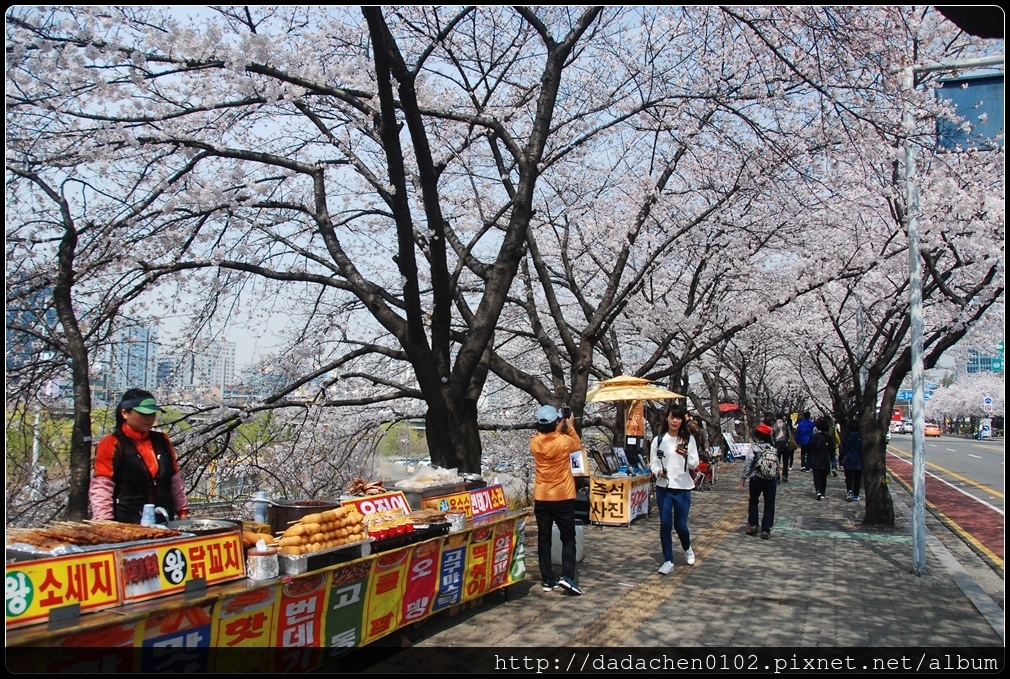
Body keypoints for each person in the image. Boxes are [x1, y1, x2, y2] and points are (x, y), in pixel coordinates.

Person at [89, 389, 189, 523]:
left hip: (163, 520)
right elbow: (102, 486)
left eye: (152, 413)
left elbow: (175, 480)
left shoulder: (162, 440)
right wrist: (104, 521)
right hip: (126, 523)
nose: (149, 418)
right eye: (143, 414)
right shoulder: (111, 444)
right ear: (124, 413)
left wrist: (182, 511)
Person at [529, 404, 584, 595]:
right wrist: (569, 426)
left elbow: (548, 437)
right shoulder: (564, 441)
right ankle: (567, 576)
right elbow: (577, 445)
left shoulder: (534, 442)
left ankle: (547, 579)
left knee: (544, 537)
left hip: (542, 497)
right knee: (568, 537)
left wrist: (558, 426)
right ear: (557, 422)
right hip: (563, 496)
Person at [649, 403, 700, 574]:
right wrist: (658, 472)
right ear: (667, 418)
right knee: (665, 524)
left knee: (680, 525)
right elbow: (653, 462)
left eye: (678, 418)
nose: (675, 421)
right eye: (672, 417)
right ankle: (668, 560)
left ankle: (687, 549)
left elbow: (695, 463)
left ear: (682, 420)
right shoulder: (659, 440)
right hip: (664, 487)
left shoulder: (688, 440)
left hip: (683, 487)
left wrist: (686, 455)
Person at [738, 422, 778, 539]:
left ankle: (753, 525)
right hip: (770, 479)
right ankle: (766, 529)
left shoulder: (754, 448)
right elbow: (777, 464)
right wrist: (776, 476)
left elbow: (748, 464)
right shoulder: (773, 448)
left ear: (758, 435)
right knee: (769, 504)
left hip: (756, 478)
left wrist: (743, 479)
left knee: (754, 501)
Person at [805, 416, 835, 500]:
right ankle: (822, 492)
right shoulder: (828, 437)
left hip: (815, 458)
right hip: (825, 458)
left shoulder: (814, 436)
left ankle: (817, 491)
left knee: (816, 476)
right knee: (823, 477)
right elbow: (832, 449)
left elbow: (809, 448)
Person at [840, 418, 863, 502]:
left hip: (848, 459)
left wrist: (841, 458)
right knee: (857, 478)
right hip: (858, 460)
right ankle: (856, 495)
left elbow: (842, 448)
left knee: (849, 477)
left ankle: (849, 490)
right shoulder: (861, 437)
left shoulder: (846, 437)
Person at [772, 412, 792, 483]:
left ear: (776, 417)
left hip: (777, 445)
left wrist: (774, 443)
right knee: (785, 462)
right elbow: (789, 435)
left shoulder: (774, 425)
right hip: (785, 445)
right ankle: (785, 476)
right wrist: (787, 441)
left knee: (777, 462)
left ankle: (777, 477)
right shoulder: (785, 425)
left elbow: (772, 435)